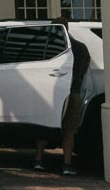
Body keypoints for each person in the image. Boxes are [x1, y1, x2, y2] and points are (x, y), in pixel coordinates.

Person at [35, 15, 92, 176]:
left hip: (49, 93)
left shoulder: (46, 46)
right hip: (72, 92)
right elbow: (85, 68)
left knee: (44, 127)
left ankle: (38, 161)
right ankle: (66, 165)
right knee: (69, 131)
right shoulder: (80, 48)